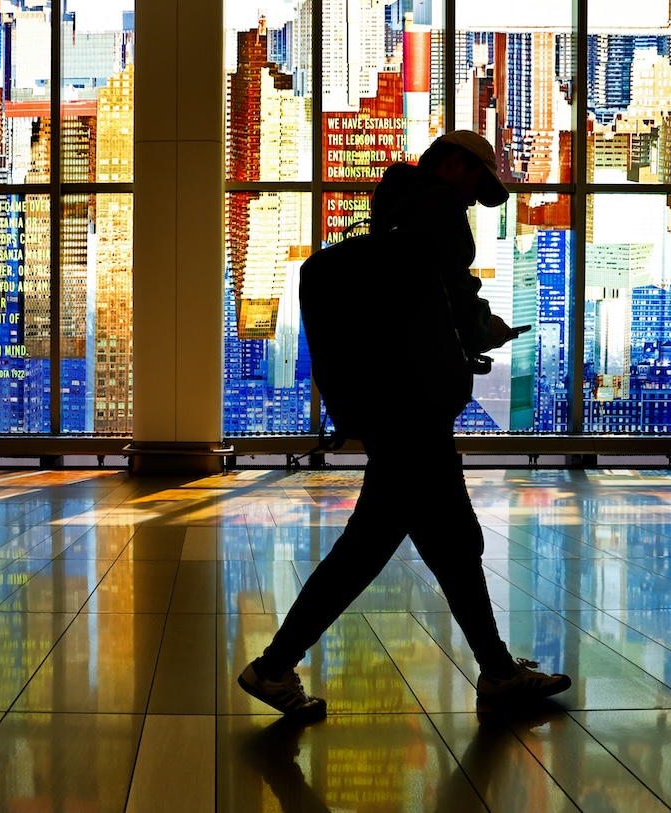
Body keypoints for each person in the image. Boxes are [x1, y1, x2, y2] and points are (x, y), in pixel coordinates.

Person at [237, 131, 571, 721]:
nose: (472, 201)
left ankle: (495, 669)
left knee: (441, 543)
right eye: (475, 184)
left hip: (392, 405)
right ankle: (274, 666)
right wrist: (480, 325)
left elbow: (412, 304)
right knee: (399, 548)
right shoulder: (436, 204)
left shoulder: (389, 211)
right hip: (415, 411)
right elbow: (445, 291)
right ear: (455, 165)